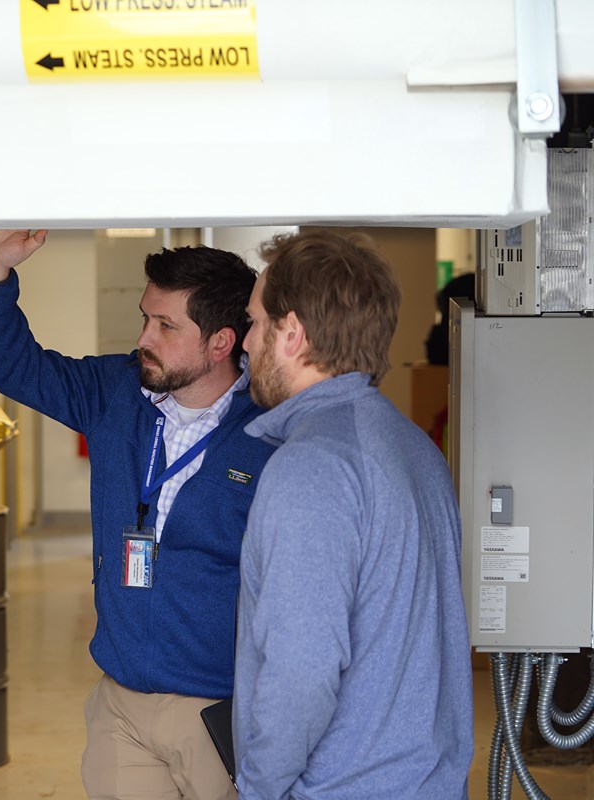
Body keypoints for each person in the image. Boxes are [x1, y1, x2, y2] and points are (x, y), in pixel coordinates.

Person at [0, 230, 275, 800]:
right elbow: (11, 363)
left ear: (219, 342)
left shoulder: (270, 433)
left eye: (165, 326)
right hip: (120, 704)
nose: (143, 339)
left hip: (221, 711)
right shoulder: (116, 392)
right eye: (145, 319)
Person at [231, 231, 473, 799]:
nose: (245, 341)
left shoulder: (310, 468)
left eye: (255, 323)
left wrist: (258, 788)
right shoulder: (415, 449)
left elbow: (303, 673)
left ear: (292, 334)